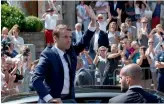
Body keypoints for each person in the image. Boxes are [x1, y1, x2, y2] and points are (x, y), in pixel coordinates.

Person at [32, 5, 97, 103]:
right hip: (53, 100)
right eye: (65, 37)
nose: (69, 40)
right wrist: (50, 99)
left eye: (70, 37)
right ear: (55, 39)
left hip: (69, 99)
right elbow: (36, 80)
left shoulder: (71, 50)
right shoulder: (48, 54)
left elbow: (85, 40)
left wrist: (93, 20)